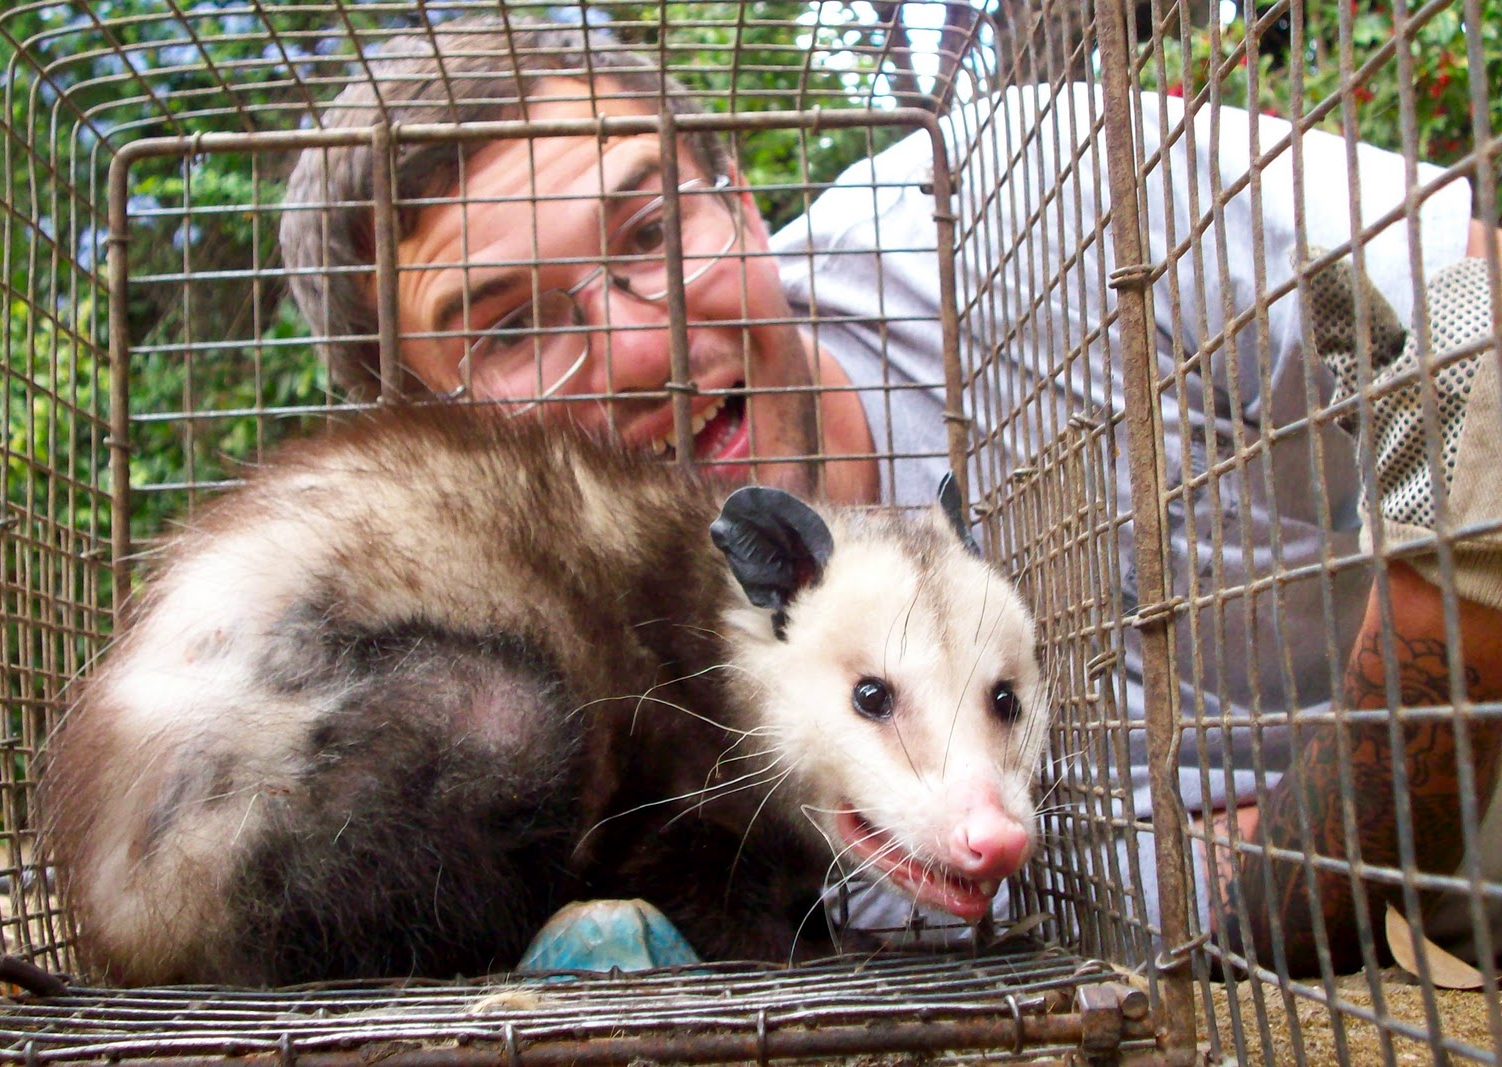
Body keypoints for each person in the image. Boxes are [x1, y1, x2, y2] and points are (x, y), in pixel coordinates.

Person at [279, 16, 1502, 976]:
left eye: (650, 228)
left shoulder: (1038, 203)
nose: (639, 352)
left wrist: (1451, 602)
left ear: (742, 197)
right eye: (510, 331)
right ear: (434, 444)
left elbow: (1472, 289)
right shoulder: (625, 771)